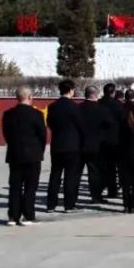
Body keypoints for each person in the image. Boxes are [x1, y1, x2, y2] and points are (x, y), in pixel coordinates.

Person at [1, 86, 47, 226]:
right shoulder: (37, 114)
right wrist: (40, 151)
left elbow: (6, 134)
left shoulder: (8, 114)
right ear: (30, 97)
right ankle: (28, 216)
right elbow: (42, 136)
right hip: (33, 155)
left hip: (15, 154)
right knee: (30, 187)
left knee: (15, 186)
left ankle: (13, 217)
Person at [46, 79, 84, 213]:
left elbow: (49, 123)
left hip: (57, 144)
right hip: (72, 145)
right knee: (70, 176)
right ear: (71, 91)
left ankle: (51, 204)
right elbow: (81, 126)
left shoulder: (52, 106)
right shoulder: (75, 107)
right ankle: (69, 205)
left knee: (55, 175)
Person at [78, 85, 109, 204]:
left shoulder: (78, 108)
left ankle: (71, 199)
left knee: (76, 173)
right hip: (96, 145)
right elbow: (110, 124)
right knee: (94, 172)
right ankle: (96, 196)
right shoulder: (101, 109)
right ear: (96, 95)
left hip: (80, 144)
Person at [98, 83, 125, 200]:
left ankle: (100, 187)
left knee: (101, 166)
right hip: (115, 139)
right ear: (113, 92)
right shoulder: (118, 105)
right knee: (112, 167)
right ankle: (112, 190)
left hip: (100, 139)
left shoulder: (99, 103)